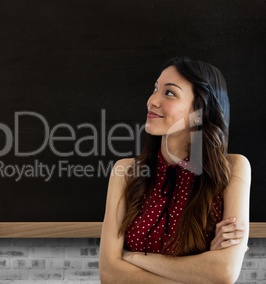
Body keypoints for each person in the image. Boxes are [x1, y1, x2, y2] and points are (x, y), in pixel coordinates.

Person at [99, 56, 251, 284]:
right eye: (155, 89)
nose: (152, 101)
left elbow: (224, 272)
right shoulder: (126, 172)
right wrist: (199, 272)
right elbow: (109, 274)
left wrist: (133, 258)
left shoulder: (232, 169)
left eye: (169, 93)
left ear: (199, 110)